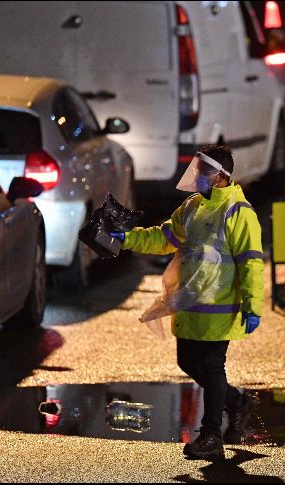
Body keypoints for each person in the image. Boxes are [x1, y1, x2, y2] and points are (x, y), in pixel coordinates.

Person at [111, 144, 264, 459]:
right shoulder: (193, 205)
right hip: (191, 303)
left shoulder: (238, 211)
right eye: (199, 169)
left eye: (205, 170)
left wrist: (252, 306)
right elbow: (164, 238)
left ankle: (211, 437)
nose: (199, 175)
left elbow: (251, 262)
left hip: (220, 306)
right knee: (188, 363)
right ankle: (237, 404)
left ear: (221, 176)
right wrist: (126, 239)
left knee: (212, 367)